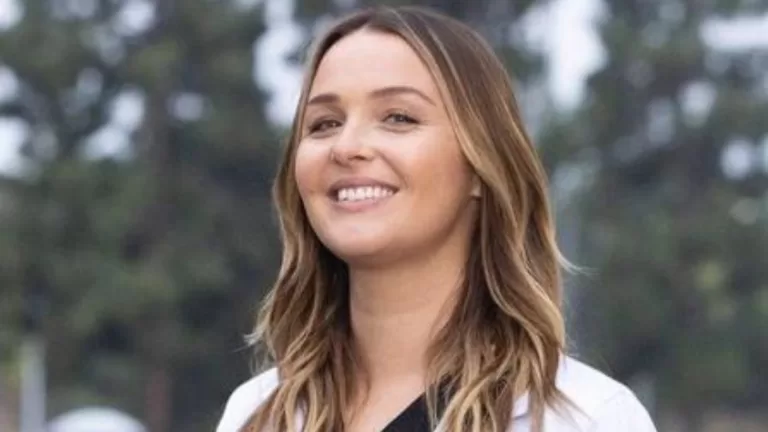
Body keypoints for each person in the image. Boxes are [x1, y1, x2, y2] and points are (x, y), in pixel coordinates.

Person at [217, 5, 657, 432]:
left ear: (481, 166)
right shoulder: (257, 414)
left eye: (398, 118)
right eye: (324, 124)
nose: (346, 147)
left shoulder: (583, 418)